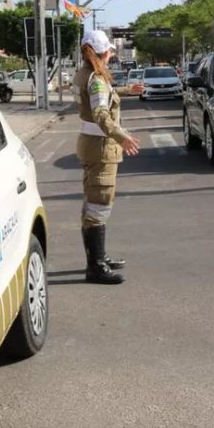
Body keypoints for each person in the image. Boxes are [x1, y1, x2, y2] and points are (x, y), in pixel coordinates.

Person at [74, 30, 140, 284]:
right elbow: (101, 113)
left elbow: (101, 98)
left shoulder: (87, 74)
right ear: (102, 52)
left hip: (92, 144)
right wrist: (120, 136)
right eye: (110, 51)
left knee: (93, 202)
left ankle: (97, 256)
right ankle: (96, 266)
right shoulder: (97, 79)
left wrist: (125, 90)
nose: (112, 54)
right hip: (102, 147)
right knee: (99, 203)